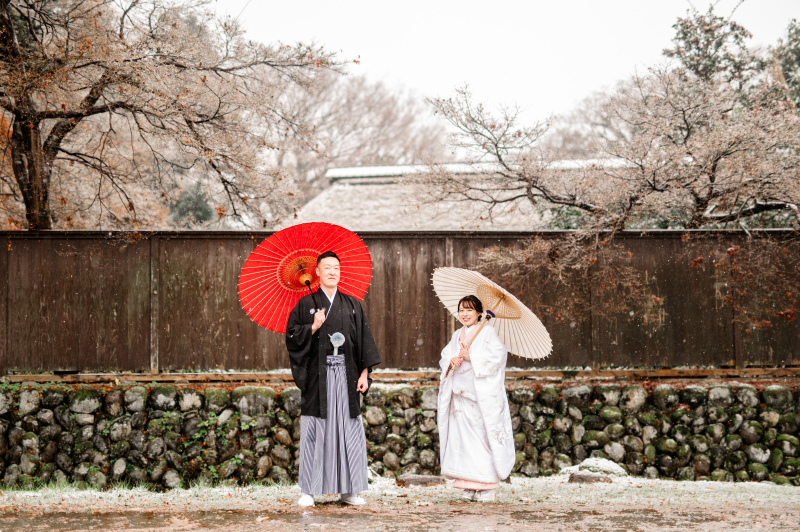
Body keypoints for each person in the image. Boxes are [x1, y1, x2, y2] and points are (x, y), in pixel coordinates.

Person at [285, 250, 381, 507]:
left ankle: (349, 490)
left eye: (336, 267)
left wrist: (364, 373)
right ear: (317, 272)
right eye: (326, 267)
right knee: (315, 430)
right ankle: (309, 489)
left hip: (347, 376)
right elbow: (292, 337)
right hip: (318, 377)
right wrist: (313, 326)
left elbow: (363, 341)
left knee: (347, 430)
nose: (332, 271)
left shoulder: (352, 304)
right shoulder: (306, 305)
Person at [437, 295, 515, 502]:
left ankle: (486, 485)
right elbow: (446, 356)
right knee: (462, 441)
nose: (464, 314)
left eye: (469, 310)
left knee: (482, 441)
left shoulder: (488, 332)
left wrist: (472, 357)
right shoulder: (457, 335)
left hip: (478, 396)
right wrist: (452, 361)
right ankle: (468, 484)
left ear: (479, 313)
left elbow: (498, 357)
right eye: (461, 310)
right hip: (460, 395)